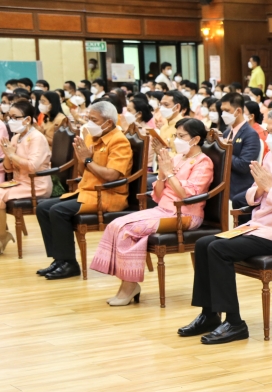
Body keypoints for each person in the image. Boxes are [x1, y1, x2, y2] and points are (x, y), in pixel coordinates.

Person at [177, 107, 272, 344]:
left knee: (218, 249)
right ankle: (209, 314)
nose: (268, 136)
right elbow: (254, 193)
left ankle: (234, 323)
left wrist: (270, 188)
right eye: (267, 130)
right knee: (203, 244)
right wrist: (262, 188)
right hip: (259, 225)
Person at [89, 118, 213, 305]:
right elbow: (159, 193)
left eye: (181, 136)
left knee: (129, 230)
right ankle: (127, 283)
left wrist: (169, 173)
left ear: (195, 140)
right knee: (116, 224)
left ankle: (130, 286)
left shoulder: (204, 162)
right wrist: (162, 174)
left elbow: (185, 195)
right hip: (163, 209)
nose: (176, 140)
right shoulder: (178, 158)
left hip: (185, 215)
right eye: (175, 135)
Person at [35, 101, 133, 280]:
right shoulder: (91, 137)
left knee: (58, 210)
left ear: (108, 123)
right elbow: (82, 172)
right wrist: (81, 159)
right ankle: (58, 259)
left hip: (108, 195)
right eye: (88, 118)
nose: (89, 123)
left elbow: (111, 176)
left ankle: (69, 263)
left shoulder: (119, 141)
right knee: (42, 207)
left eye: (93, 120)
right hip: (87, 191)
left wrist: (88, 160)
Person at [0, 101, 52, 253]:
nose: (11, 121)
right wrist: (8, 155)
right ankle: (3, 234)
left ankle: (2, 236)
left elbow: (32, 166)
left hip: (37, 185)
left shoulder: (37, 138)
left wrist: (11, 154)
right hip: (19, 182)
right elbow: (8, 167)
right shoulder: (16, 137)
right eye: (9, 117)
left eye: (15, 117)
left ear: (27, 119)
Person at [218, 92, 261, 208]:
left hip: (238, 186)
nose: (223, 114)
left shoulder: (250, 134)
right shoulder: (227, 133)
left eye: (227, 111)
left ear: (238, 111)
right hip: (223, 181)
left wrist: (225, 151)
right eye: (222, 110)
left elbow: (243, 165)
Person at [158, 90, 189, 155]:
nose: (162, 108)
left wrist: (161, 152)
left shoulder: (185, 127)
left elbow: (183, 156)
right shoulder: (163, 127)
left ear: (177, 107)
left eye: (166, 105)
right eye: (161, 105)